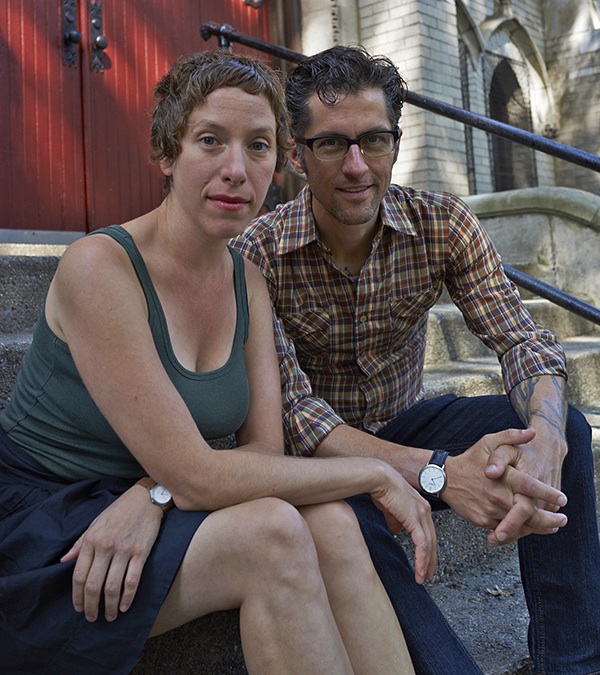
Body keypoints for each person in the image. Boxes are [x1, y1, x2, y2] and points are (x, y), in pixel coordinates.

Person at [0, 50, 439, 675]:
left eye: (258, 146)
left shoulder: (248, 283)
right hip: (47, 525)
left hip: (149, 498)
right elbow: (201, 478)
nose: (236, 169)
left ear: (277, 165)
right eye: (211, 140)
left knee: (335, 524)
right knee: (271, 536)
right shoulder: (100, 268)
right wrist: (375, 472)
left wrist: (152, 493)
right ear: (166, 152)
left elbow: (262, 454)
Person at [231, 45, 600, 674]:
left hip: (406, 427)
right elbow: (295, 420)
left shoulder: (441, 225)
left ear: (396, 143)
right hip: (317, 465)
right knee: (351, 521)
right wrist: (438, 471)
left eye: (374, 141)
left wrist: (541, 435)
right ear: (297, 155)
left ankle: (574, 663)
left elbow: (522, 340)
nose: (356, 166)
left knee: (565, 426)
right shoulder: (256, 253)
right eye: (331, 145)